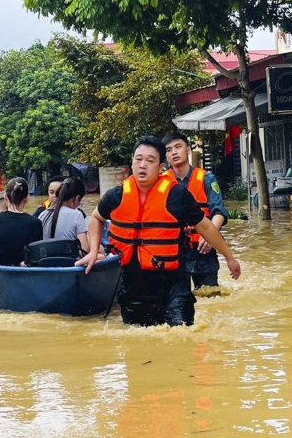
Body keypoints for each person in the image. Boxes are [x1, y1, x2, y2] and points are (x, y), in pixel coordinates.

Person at [75, 136, 241, 327]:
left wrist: (229, 257)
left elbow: (205, 226)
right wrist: (94, 251)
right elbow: (96, 218)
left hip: (172, 286)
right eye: (138, 159)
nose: (142, 165)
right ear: (132, 163)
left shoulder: (177, 196)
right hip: (133, 285)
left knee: (181, 336)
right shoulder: (117, 196)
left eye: (150, 160)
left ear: (161, 167)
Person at [162, 132, 229, 290]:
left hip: (203, 248)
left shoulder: (207, 179)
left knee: (209, 295)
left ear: (188, 150)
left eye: (178, 147)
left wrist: (210, 234)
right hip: (173, 249)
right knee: (176, 298)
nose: (174, 152)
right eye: (169, 149)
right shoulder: (161, 182)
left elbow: (218, 211)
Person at [38, 177, 105, 260]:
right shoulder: (77, 215)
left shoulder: (42, 215)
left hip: (47, 262)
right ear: (77, 198)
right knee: (102, 254)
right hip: (70, 262)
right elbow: (84, 250)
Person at [0, 177, 43, 266]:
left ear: (5, 198)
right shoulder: (36, 222)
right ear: (26, 199)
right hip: (25, 269)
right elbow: (36, 252)